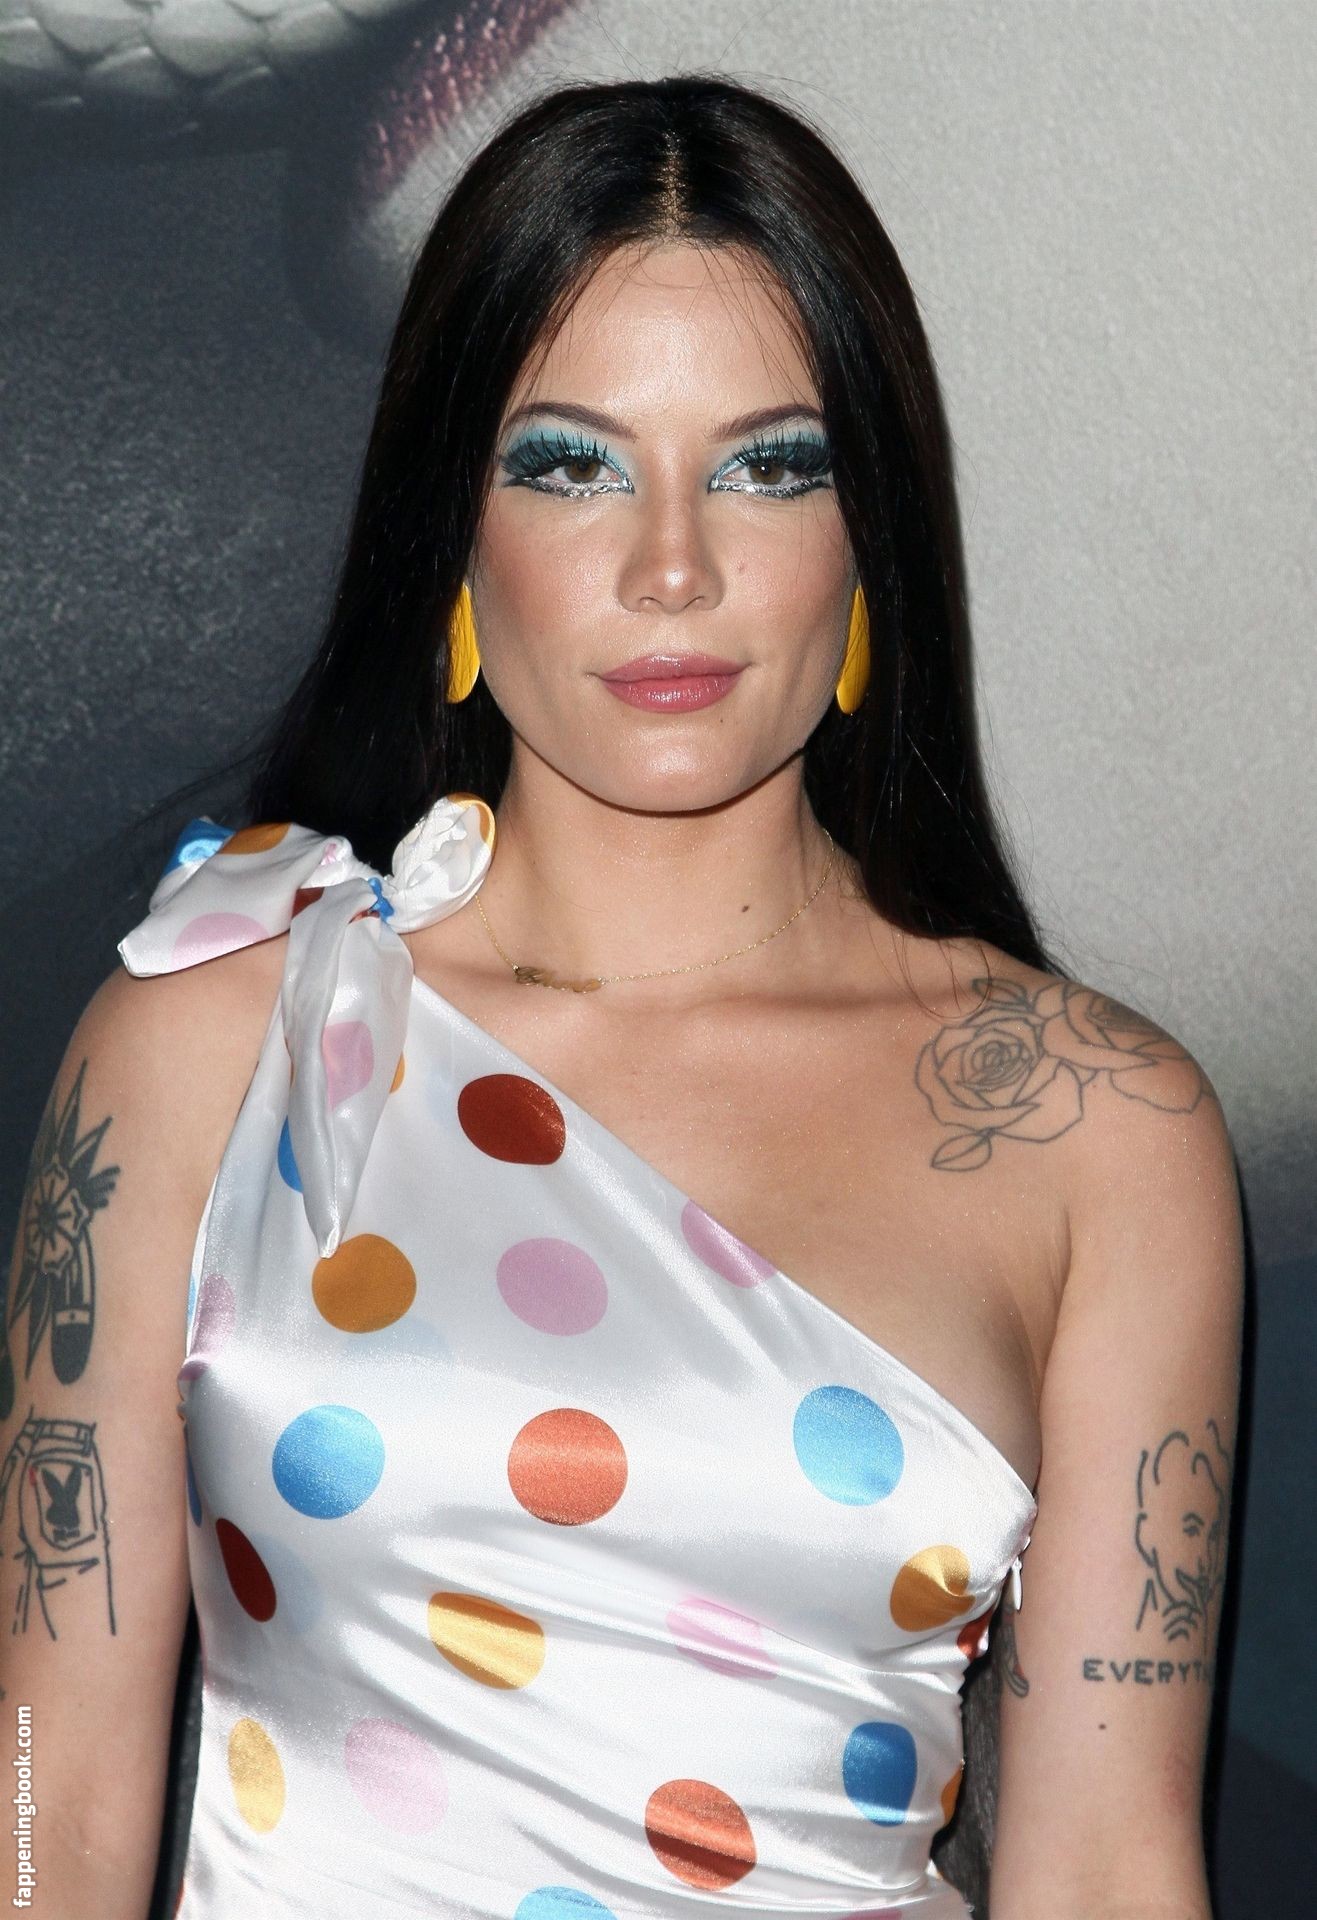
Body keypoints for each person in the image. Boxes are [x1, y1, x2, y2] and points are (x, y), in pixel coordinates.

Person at [3, 73, 1243, 1920]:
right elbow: (46, 1798)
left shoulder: (1098, 1130)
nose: (673, 567)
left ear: (869, 538)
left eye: (769, 465)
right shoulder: (211, 1035)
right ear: (450, 530)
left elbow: (1108, 1863)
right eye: (570, 466)